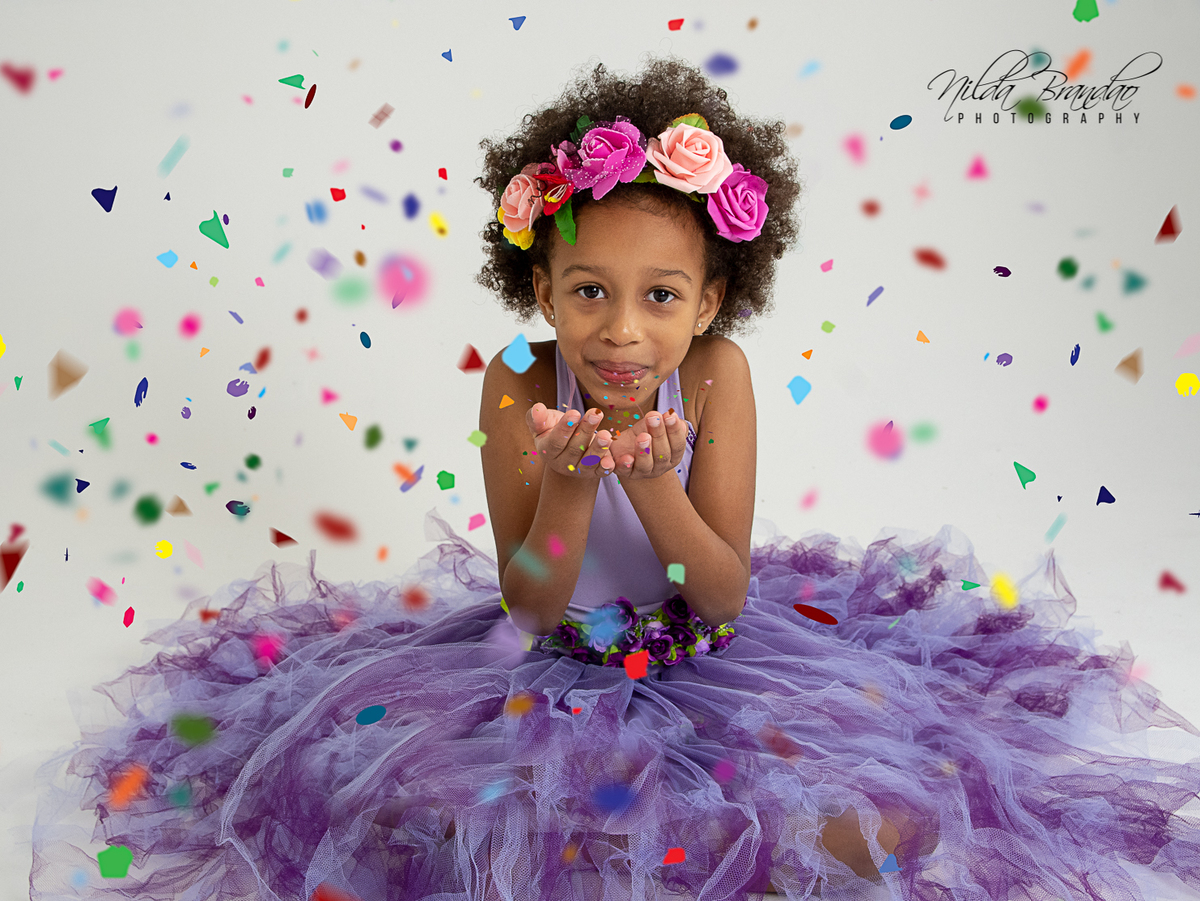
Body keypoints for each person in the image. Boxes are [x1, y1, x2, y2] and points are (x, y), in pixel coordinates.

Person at [29, 56, 1200, 901]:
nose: (622, 331)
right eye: (589, 290)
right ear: (542, 290)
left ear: (709, 303)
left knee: (857, 816)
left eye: (660, 297)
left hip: (712, 660)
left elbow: (726, 597)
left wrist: (651, 480)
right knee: (425, 816)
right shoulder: (515, 380)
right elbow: (532, 604)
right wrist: (575, 478)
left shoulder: (722, 377)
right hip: (544, 667)